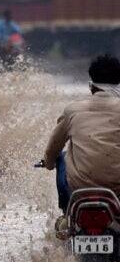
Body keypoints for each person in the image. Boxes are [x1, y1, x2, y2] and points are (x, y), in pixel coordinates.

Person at [43, 54, 120, 224]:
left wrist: (48, 163)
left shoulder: (72, 111)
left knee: (62, 156)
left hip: (79, 188)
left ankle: (66, 215)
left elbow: (53, 149)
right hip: (117, 187)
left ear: (92, 87)